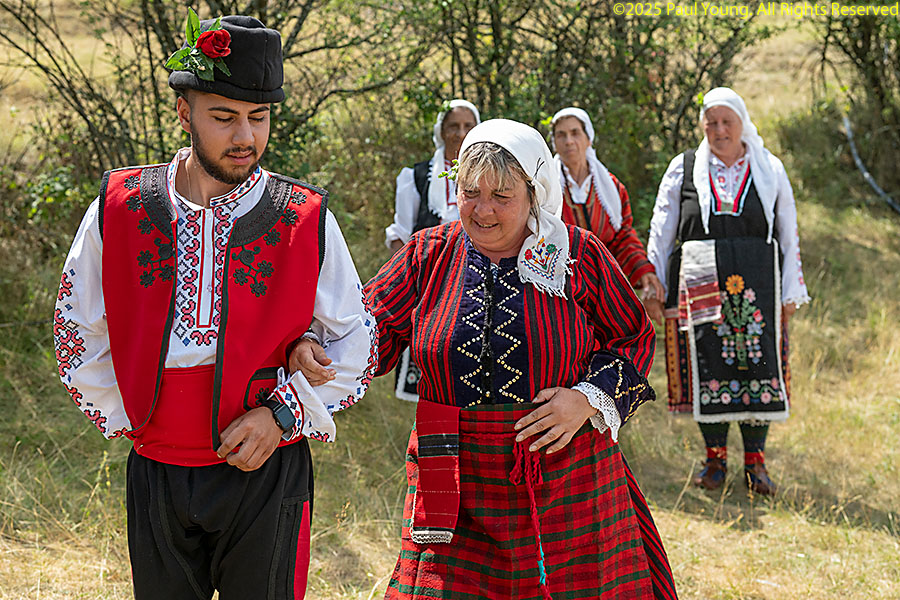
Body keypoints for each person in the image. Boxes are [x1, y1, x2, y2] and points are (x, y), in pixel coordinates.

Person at [52, 13, 376, 599]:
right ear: (185, 113)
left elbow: (355, 346)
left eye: (259, 117)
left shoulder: (303, 218)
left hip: (266, 468)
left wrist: (282, 415)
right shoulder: (121, 207)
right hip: (157, 468)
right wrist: (136, 420)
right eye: (224, 117)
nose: (245, 136)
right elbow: (77, 327)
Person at [295, 120, 678, 599]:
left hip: (564, 477)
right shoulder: (429, 253)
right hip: (453, 478)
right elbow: (369, 327)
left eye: (501, 195)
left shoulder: (577, 256)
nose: (482, 209)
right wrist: (316, 346)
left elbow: (633, 337)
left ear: (534, 193)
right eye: (470, 192)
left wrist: (585, 400)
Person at [645, 87, 810, 496]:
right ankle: (715, 460)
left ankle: (756, 463)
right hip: (698, 282)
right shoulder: (683, 167)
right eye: (711, 123)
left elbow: (788, 231)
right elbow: (662, 229)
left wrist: (792, 291)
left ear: (742, 123)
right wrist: (653, 281)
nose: (719, 130)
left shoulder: (769, 167)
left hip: (759, 288)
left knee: (758, 366)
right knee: (709, 364)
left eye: (727, 122)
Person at [384, 99, 480, 401]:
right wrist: (412, 282)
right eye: (453, 126)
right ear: (441, 131)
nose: (460, 134)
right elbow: (400, 234)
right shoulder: (417, 176)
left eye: (468, 126)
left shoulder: (488, 175)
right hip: (431, 281)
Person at [550, 107, 665, 317]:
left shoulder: (611, 188)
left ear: (588, 139)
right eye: (561, 135)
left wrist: (642, 269)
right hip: (561, 291)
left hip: (604, 288)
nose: (569, 141)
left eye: (575, 133)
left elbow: (623, 236)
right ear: (554, 143)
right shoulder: (546, 189)